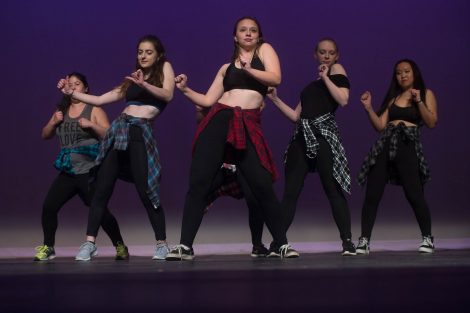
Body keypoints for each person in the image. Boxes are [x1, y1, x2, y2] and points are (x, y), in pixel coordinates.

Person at [165, 16, 298, 260]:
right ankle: (185, 245)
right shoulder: (226, 68)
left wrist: (248, 69)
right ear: (235, 37)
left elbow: (275, 78)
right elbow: (207, 100)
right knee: (199, 182)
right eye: (243, 30)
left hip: (246, 123)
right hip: (219, 120)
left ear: (259, 36)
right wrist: (185, 90)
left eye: (253, 30)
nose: (248, 34)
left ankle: (281, 244)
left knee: (261, 184)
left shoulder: (264, 51)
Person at [57, 35, 175, 261]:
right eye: (140, 51)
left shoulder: (164, 69)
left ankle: (161, 244)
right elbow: (100, 99)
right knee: (101, 188)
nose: (143, 55)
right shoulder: (132, 79)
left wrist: (145, 84)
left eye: (148, 52)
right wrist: (71, 93)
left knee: (146, 191)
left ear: (158, 54)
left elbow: (168, 94)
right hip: (118, 131)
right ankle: (89, 243)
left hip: (140, 133)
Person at [267, 38, 356, 256]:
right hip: (303, 135)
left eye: (331, 53)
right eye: (322, 52)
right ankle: (278, 243)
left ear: (337, 56)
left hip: (323, 135)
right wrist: (275, 100)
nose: (327, 56)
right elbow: (297, 116)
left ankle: (347, 242)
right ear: (315, 55)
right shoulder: (311, 87)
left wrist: (326, 76)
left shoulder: (337, 72)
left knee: (332, 190)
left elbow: (343, 100)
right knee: (290, 193)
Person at [35, 72, 128, 261]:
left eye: (77, 84)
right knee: (49, 207)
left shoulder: (93, 109)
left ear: (86, 89)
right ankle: (48, 247)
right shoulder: (62, 110)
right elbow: (45, 135)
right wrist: (53, 122)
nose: (73, 87)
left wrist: (92, 126)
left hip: (89, 171)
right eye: (71, 84)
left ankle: (119, 245)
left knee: (100, 211)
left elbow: (109, 135)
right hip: (68, 171)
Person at [356, 59, 438, 254]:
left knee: (415, 194)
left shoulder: (426, 94)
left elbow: (432, 122)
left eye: (406, 71)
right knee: (372, 194)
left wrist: (418, 100)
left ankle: (427, 238)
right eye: (399, 73)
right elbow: (380, 126)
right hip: (386, 145)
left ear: (414, 73)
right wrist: (368, 108)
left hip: (407, 146)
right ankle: (364, 240)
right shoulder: (394, 98)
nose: (402, 75)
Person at [197, 105, 270, 258]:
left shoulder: (246, 101)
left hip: (241, 161)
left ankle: (258, 245)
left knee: (255, 198)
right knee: (199, 195)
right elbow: (201, 114)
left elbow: (259, 107)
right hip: (222, 165)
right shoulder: (220, 102)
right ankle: (185, 245)